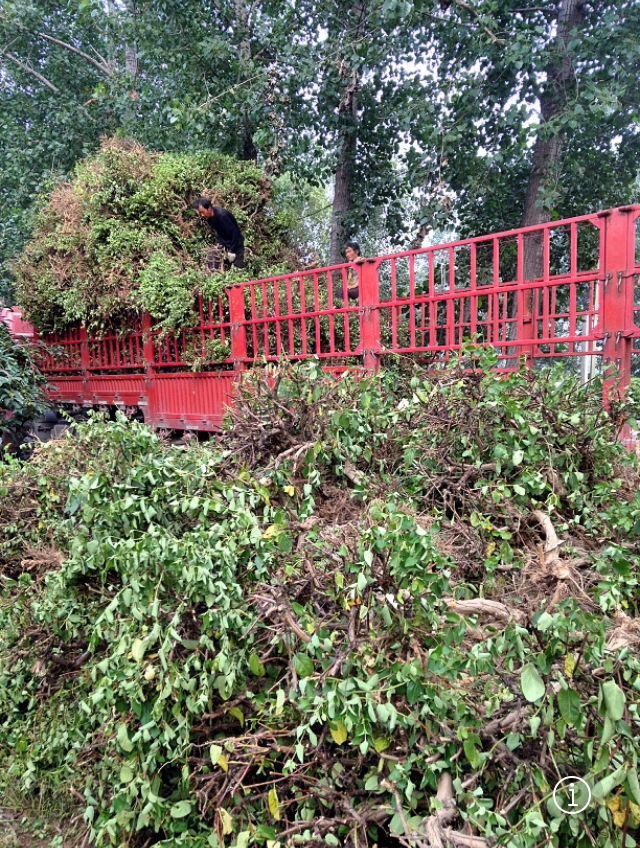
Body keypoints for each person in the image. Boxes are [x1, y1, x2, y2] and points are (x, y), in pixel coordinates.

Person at [192, 197, 245, 269]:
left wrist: (232, 250)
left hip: (235, 244)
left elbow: (234, 233)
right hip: (225, 244)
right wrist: (220, 244)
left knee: (238, 268)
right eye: (199, 213)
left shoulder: (222, 215)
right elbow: (219, 231)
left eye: (202, 212)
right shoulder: (209, 218)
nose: (202, 215)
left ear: (209, 208)